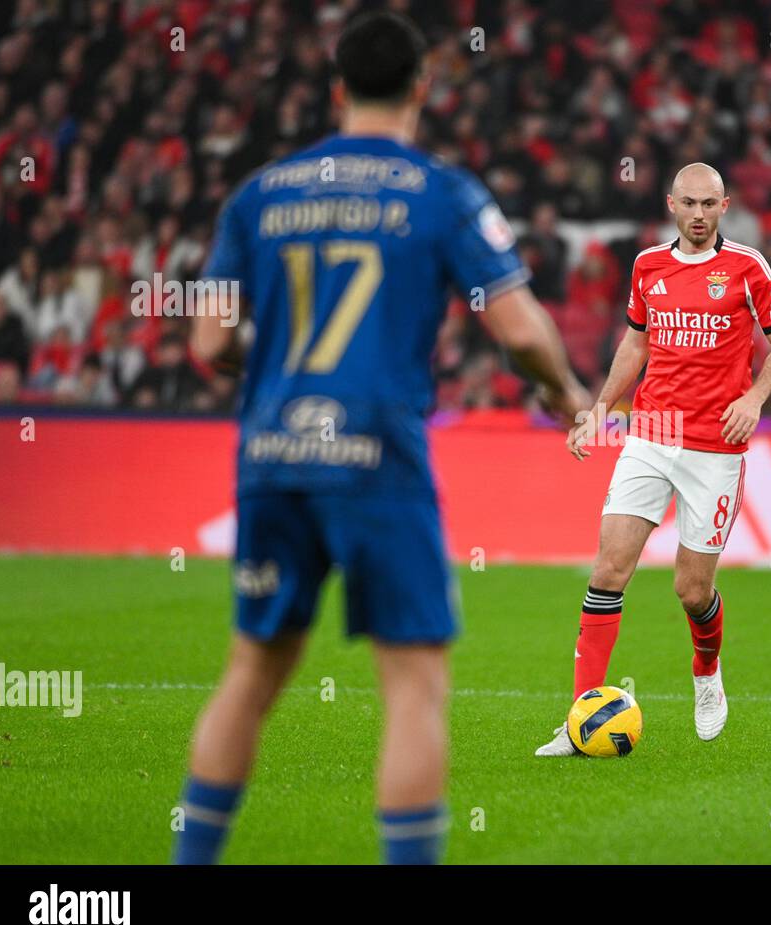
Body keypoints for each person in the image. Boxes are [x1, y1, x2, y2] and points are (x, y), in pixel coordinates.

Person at [175, 10, 586, 864]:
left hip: (273, 454)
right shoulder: (441, 194)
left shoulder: (262, 192)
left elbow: (208, 341)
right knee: (413, 684)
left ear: (338, 91)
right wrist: (566, 393)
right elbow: (516, 328)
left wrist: (274, 381)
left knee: (251, 672)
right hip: (377, 454)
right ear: (423, 90)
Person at [535, 162, 771, 755]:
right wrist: (602, 406)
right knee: (608, 571)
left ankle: (706, 672)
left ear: (725, 206)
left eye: (710, 204)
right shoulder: (647, 266)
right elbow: (636, 340)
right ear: (671, 205)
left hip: (715, 447)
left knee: (690, 589)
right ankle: (579, 721)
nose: (699, 214)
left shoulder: (747, 267)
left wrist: (755, 398)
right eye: (689, 203)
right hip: (651, 432)